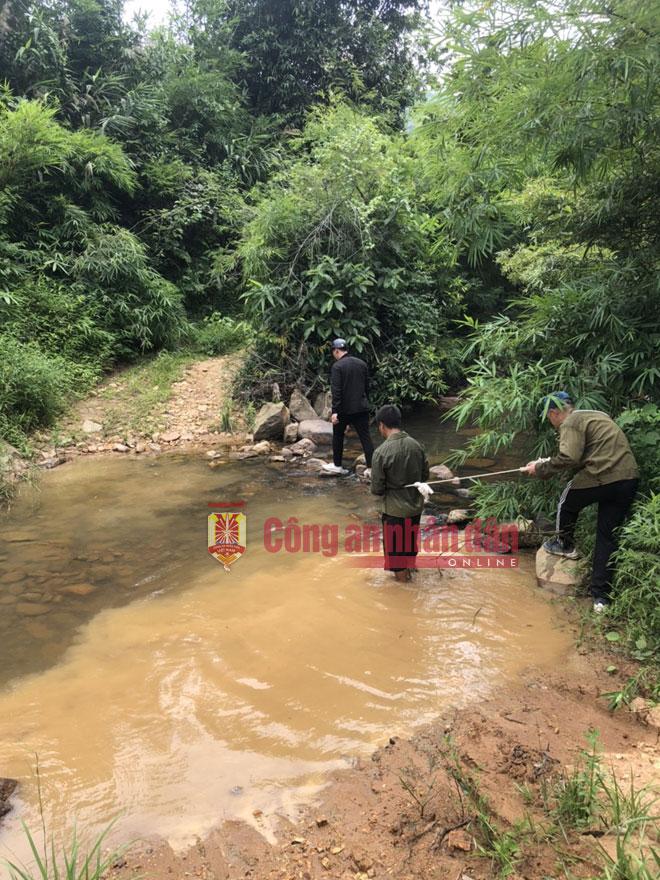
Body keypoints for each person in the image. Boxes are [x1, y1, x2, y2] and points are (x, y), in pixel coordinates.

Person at [522, 392, 639, 613]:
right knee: (607, 536)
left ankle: (564, 545)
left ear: (555, 413)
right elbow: (588, 451)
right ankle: (601, 599)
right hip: (628, 478)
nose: (552, 423)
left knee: (567, 502)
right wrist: (544, 462)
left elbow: (570, 458)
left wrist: (539, 469)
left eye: (550, 418)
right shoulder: (595, 415)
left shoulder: (570, 422)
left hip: (602, 475)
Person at [370, 405, 429, 582]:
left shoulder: (381, 452)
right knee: (410, 549)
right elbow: (424, 475)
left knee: (397, 560)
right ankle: (414, 580)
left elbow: (377, 489)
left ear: (382, 425)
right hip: (415, 509)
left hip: (394, 512)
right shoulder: (416, 446)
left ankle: (406, 595)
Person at [322, 338, 374, 476]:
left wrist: (335, 412)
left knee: (338, 435)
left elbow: (336, 392)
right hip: (361, 408)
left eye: (333, 351)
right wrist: (365, 402)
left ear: (337, 350)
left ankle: (338, 466)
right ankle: (371, 468)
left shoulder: (337, 367)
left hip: (344, 409)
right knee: (365, 437)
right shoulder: (361, 364)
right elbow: (366, 387)